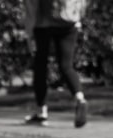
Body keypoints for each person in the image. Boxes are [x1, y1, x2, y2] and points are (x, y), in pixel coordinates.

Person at [23, 0, 88, 128]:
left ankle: (42, 111)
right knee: (66, 66)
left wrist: (29, 33)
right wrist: (78, 16)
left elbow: (32, 5)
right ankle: (80, 98)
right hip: (69, 22)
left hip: (43, 24)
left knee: (40, 67)